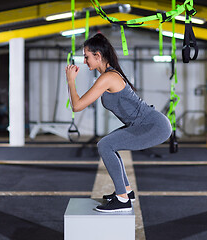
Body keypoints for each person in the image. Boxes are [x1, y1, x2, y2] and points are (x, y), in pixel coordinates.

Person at [65, 33, 172, 212]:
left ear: (98, 55)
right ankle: (126, 191)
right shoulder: (108, 75)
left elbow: (77, 106)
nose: (84, 61)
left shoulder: (108, 77)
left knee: (105, 145)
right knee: (109, 144)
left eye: (86, 56)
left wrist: (70, 81)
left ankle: (122, 200)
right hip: (143, 124)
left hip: (154, 126)